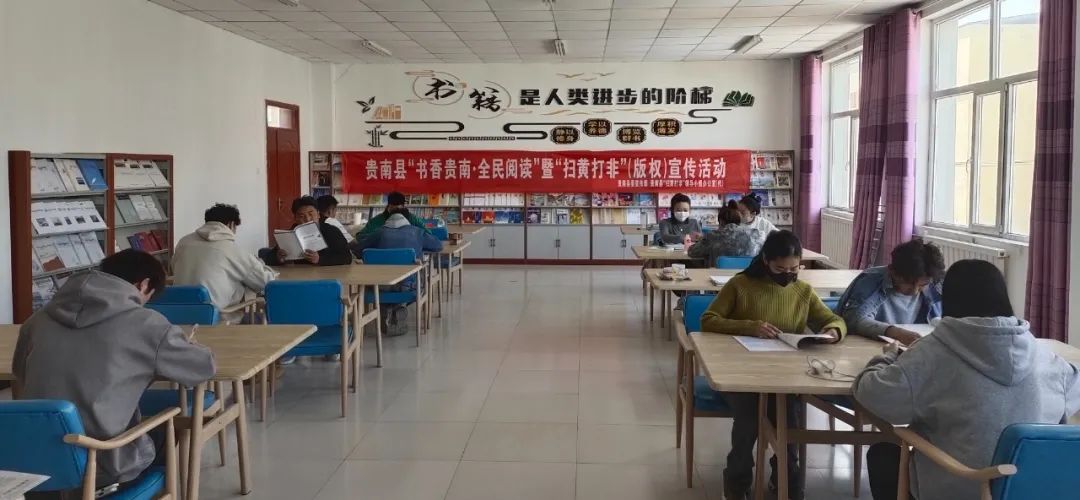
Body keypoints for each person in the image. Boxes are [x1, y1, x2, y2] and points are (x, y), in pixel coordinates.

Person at [854, 260, 1080, 500]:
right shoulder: (1046, 357)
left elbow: (873, 394)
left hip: (959, 487)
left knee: (883, 455)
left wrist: (888, 357)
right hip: (1032, 491)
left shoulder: (931, 353)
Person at [13, 250, 215, 489]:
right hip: (102, 464)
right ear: (143, 285)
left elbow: (20, 375)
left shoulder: (37, 320)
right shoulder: (148, 324)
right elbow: (204, 367)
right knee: (167, 431)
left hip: (32, 461)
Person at [701, 230, 846, 500]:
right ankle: (736, 482)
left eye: (794, 269)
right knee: (748, 421)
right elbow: (708, 319)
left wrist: (833, 331)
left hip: (784, 374)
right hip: (741, 373)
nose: (787, 275)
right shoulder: (740, 285)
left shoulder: (802, 291)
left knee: (789, 421)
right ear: (766, 260)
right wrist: (749, 327)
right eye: (780, 269)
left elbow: (833, 319)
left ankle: (787, 483)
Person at [172, 203, 278, 323]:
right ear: (231, 224)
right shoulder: (232, 250)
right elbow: (266, 282)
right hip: (217, 318)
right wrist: (263, 266)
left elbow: (173, 268)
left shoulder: (183, 242)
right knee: (262, 317)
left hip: (178, 315)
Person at [837, 239, 945, 345]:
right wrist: (894, 332)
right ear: (892, 271)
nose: (915, 291)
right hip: (870, 346)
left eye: (922, 285)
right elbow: (854, 319)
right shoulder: (871, 281)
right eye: (908, 283)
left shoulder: (935, 283)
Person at [262, 196, 352, 266]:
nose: (307, 219)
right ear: (295, 219)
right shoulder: (291, 233)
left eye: (311, 214)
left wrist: (320, 259)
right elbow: (268, 259)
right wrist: (278, 258)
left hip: (325, 276)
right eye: (301, 216)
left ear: (318, 214)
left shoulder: (332, 231)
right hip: (299, 277)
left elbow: (347, 257)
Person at [688, 201, 759, 265]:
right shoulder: (753, 235)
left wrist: (702, 239)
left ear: (721, 222)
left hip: (717, 274)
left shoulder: (712, 236)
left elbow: (692, 252)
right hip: (745, 273)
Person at [355, 206, 444, 257]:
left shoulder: (378, 233)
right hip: (410, 282)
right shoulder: (417, 232)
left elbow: (358, 250)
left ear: (388, 218)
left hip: (379, 281)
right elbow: (438, 245)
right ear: (408, 219)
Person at [356, 191, 430, 239]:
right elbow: (361, 236)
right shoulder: (377, 220)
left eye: (398, 209)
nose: (396, 213)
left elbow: (428, 235)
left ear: (403, 207)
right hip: (407, 257)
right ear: (388, 207)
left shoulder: (413, 219)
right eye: (393, 209)